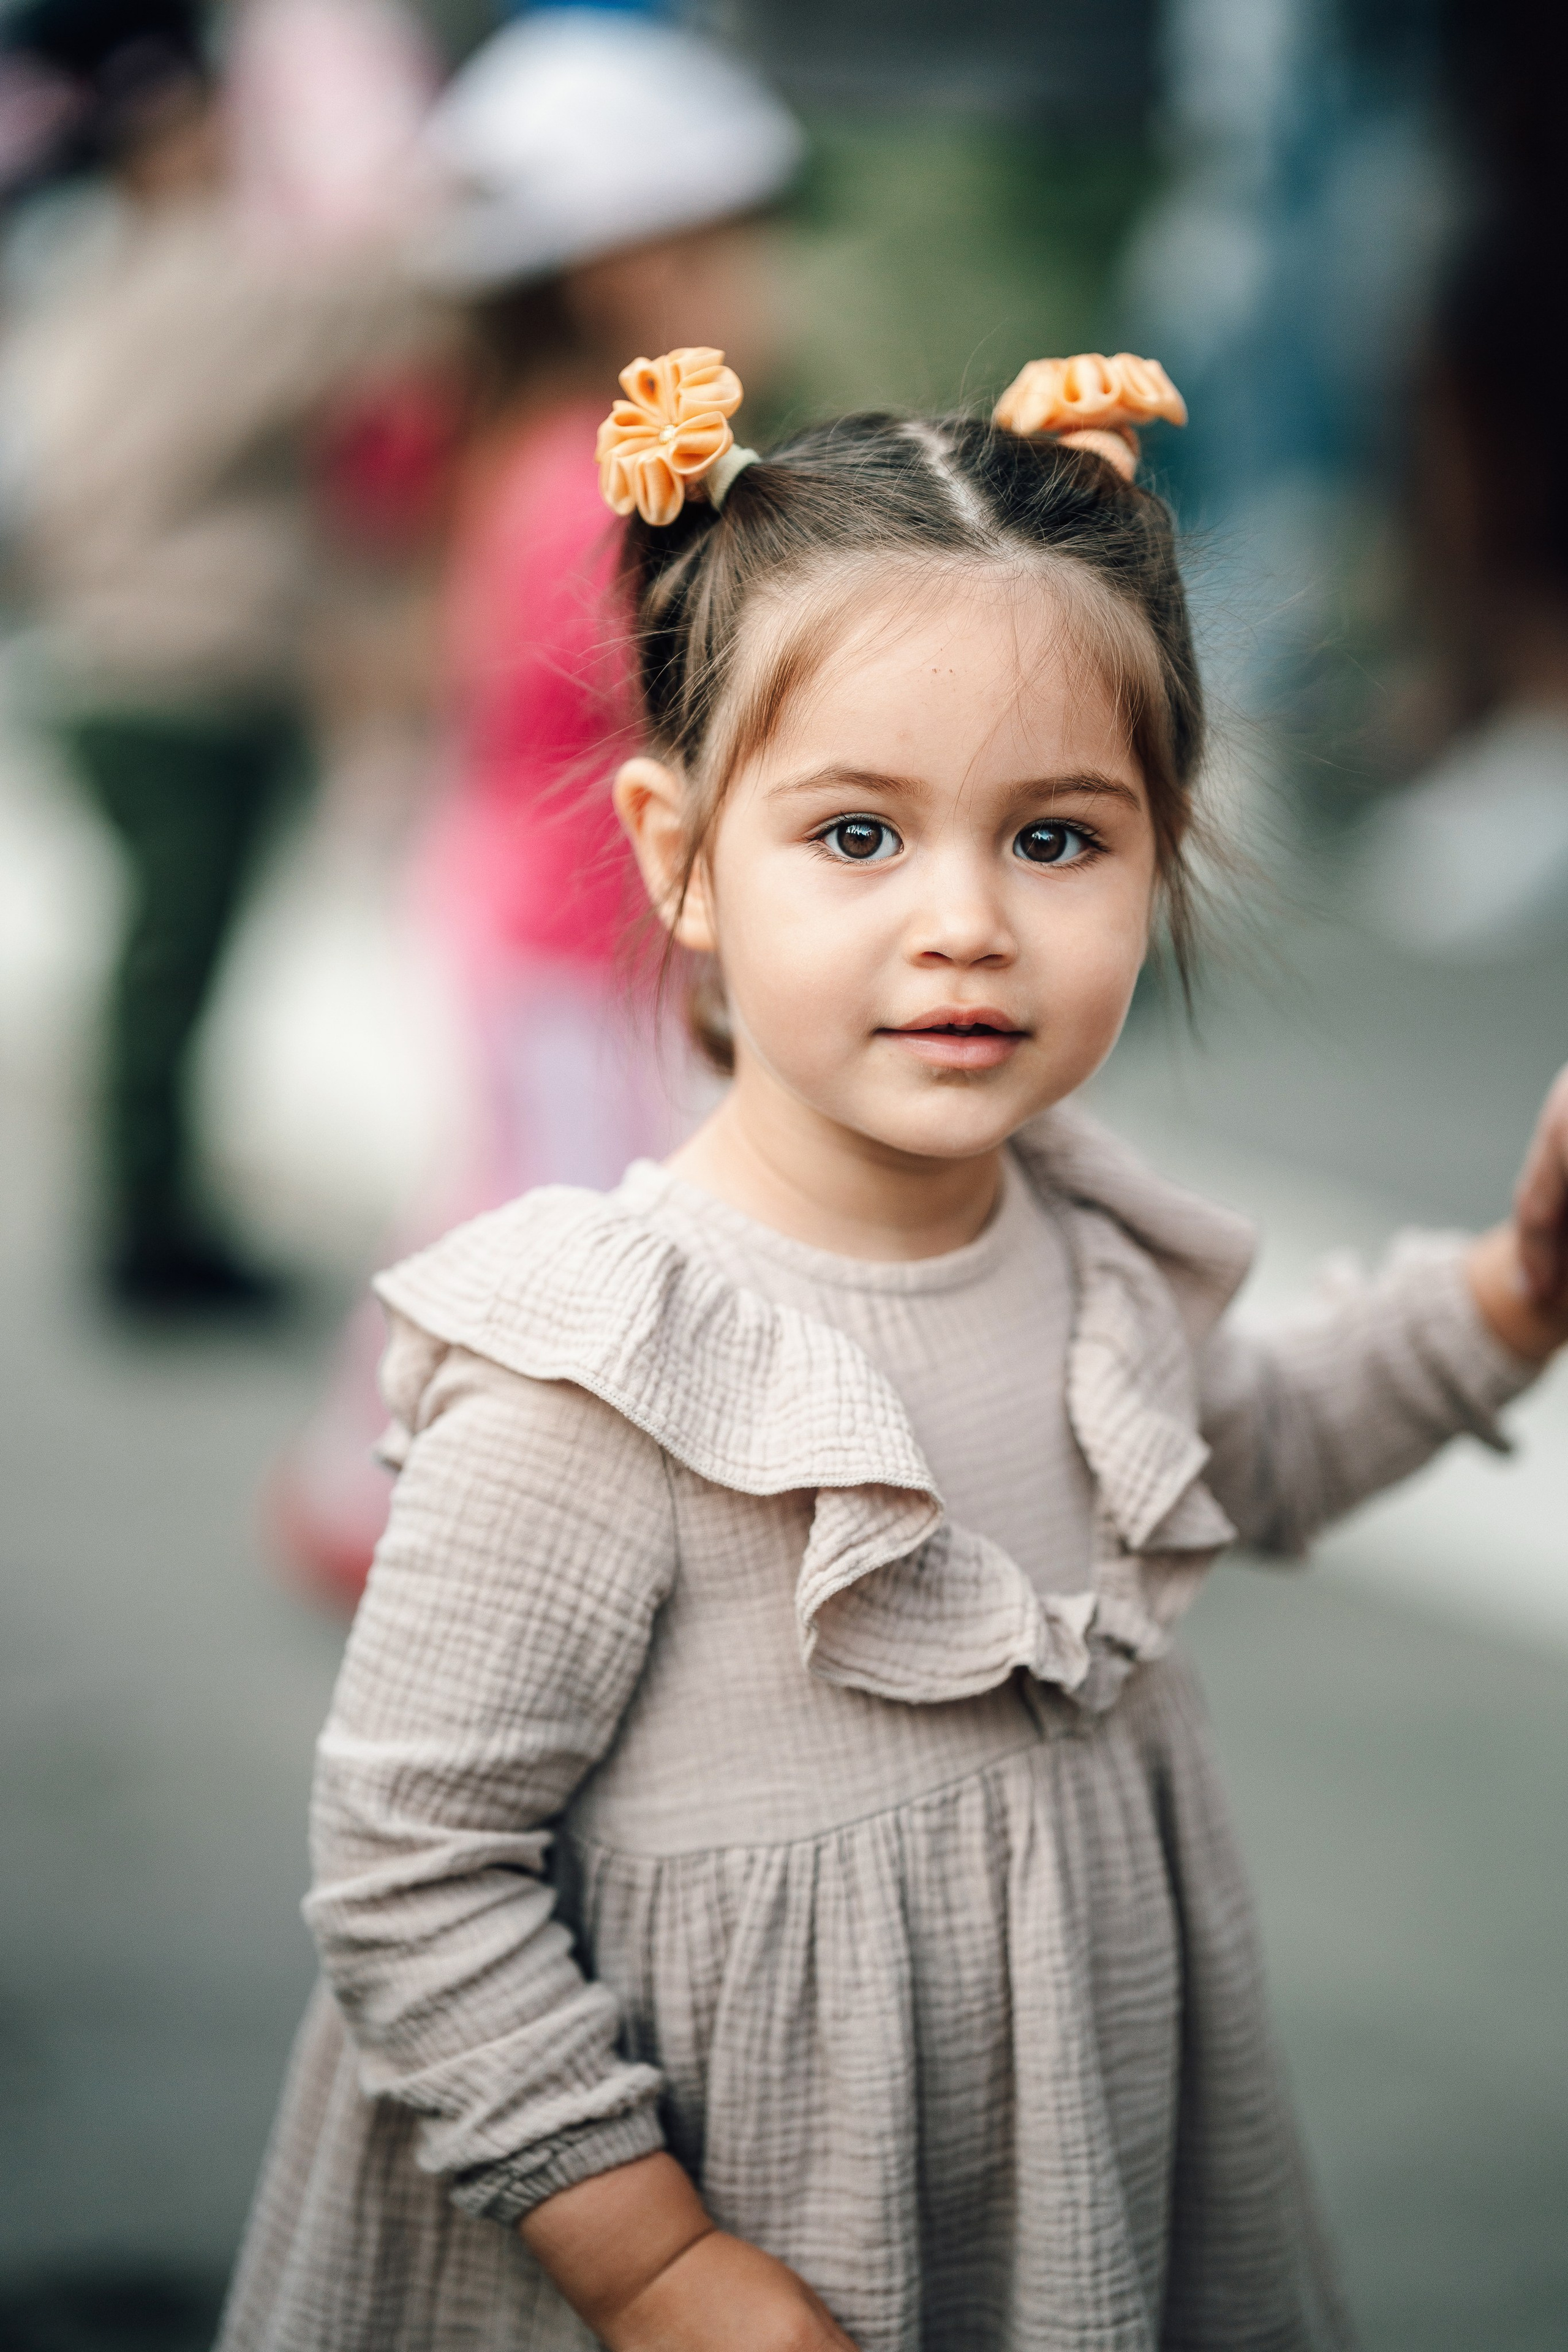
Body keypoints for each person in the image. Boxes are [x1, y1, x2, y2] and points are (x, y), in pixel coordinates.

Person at [219, 345, 1568, 2351]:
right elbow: (415, 1868)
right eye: (858, 837)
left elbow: (1259, 1445)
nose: (967, 924)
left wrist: (1516, 1291)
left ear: (1164, 846)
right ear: (681, 854)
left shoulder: (1085, 1239)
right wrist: (653, 2258)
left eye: (1056, 840)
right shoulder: (605, 1373)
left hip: (1049, 2179)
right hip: (690, 2224)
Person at [270, 2, 801, 1601]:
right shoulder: (592, 480)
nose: (760, 288)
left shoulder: (546, 448)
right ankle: (482, 1535)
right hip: (564, 941)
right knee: (581, 1242)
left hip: (543, 922)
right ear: (628, 268)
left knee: (508, 1206)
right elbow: (674, 694)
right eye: (728, 248)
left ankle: (356, 1497)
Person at [0, 0, 424, 1310]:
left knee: (165, 966)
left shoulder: (84, 274)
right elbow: (379, 309)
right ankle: (148, 1229)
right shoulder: (201, 280)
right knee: (171, 969)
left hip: (121, 670)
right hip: (183, 677)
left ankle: (154, 1212)